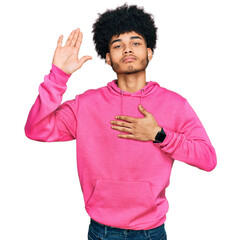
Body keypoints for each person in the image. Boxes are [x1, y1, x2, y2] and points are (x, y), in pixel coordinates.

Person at [24, 4, 217, 240]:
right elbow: (35, 129)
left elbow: (208, 159)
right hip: (102, 230)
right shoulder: (86, 104)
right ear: (107, 58)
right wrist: (58, 76)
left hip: (151, 231)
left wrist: (159, 134)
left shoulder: (175, 104)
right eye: (118, 45)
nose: (127, 49)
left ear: (149, 52)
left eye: (135, 43)